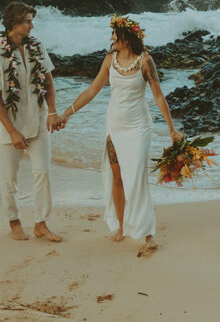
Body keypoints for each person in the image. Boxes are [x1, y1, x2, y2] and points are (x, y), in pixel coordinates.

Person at [61, 15, 183, 256]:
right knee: (117, 177)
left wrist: (171, 128)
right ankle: (121, 227)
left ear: (126, 38)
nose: (112, 40)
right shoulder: (109, 60)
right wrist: (67, 114)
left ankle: (148, 234)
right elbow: (92, 90)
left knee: (136, 177)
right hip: (114, 126)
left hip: (138, 127)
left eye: (115, 37)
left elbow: (158, 95)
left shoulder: (145, 61)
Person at [0, 1, 64, 242]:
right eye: (28, 21)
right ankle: (14, 221)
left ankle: (41, 223)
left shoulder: (37, 46)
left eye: (31, 20)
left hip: (37, 122)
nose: (32, 25)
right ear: (14, 23)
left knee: (43, 172)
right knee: (9, 179)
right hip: (11, 127)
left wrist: (52, 112)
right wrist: (12, 132)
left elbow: (48, 80)